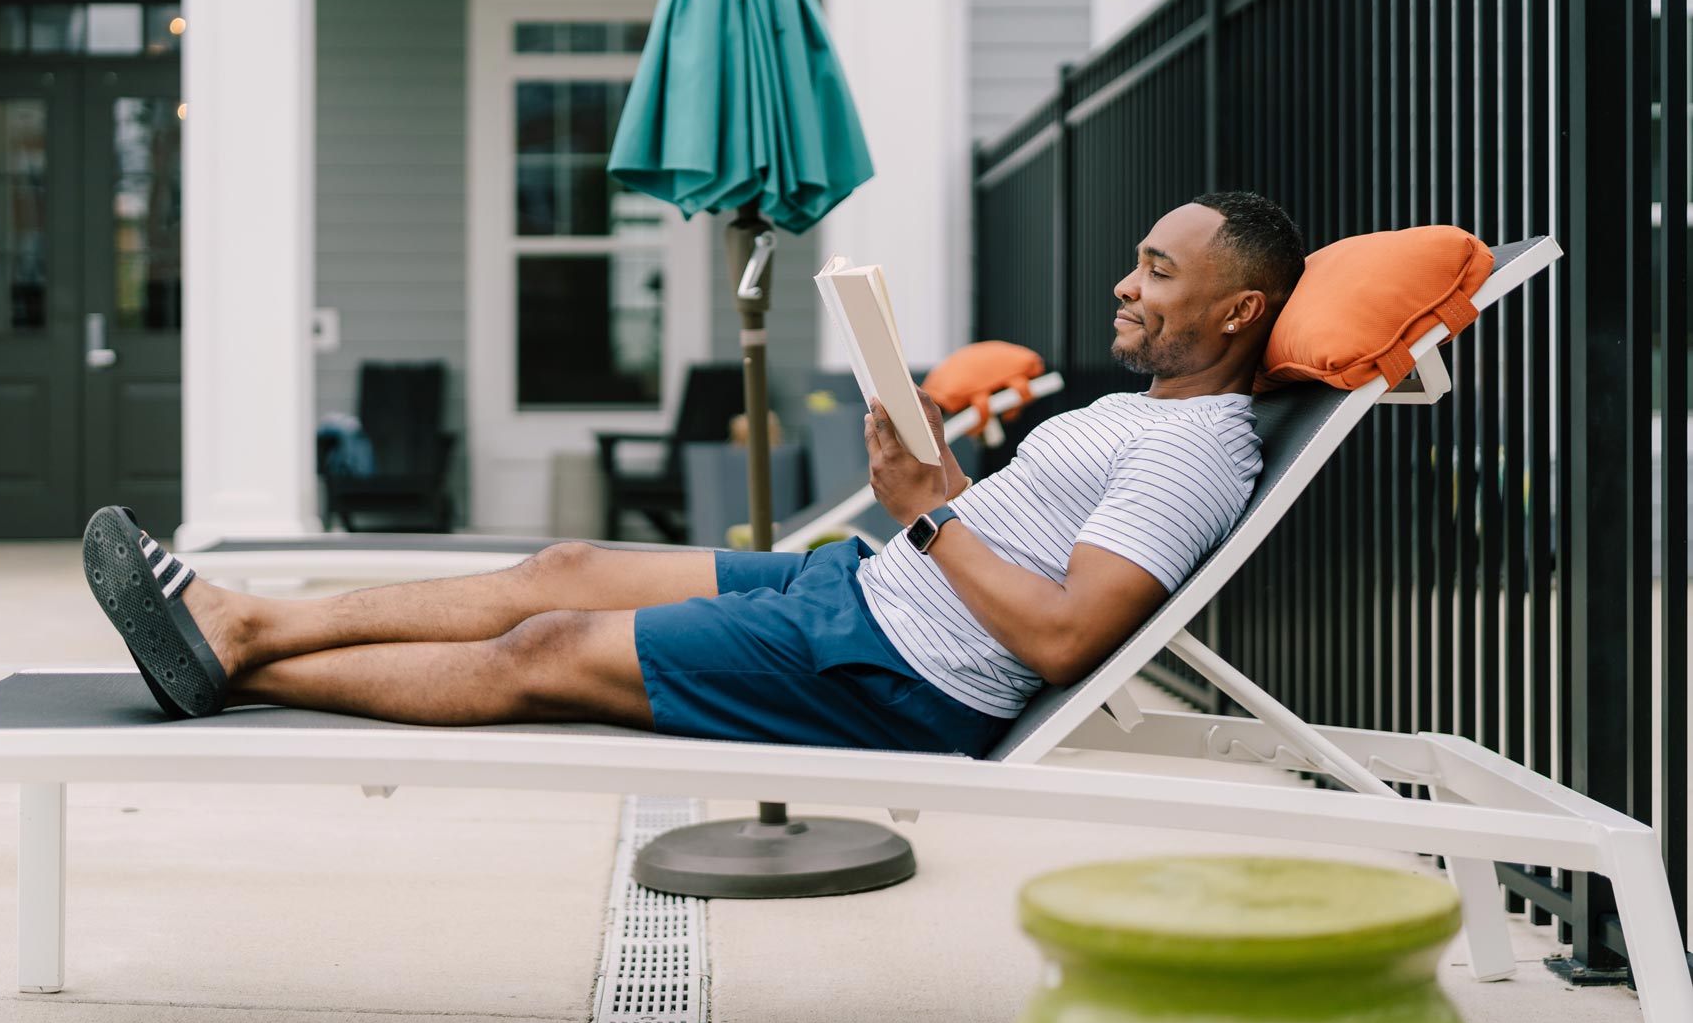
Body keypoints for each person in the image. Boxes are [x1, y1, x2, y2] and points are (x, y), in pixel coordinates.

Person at [83, 190, 1305, 758]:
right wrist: (939, 478)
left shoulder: (1197, 450)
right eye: (1136, 263)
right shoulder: (1146, 410)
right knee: (561, 566)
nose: (1124, 286)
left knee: (549, 648)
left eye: (1155, 271)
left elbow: (1059, 638)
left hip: (901, 675)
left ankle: (242, 655)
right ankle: (242, 627)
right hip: (861, 594)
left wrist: (931, 517)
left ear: (1238, 308)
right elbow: (1027, 545)